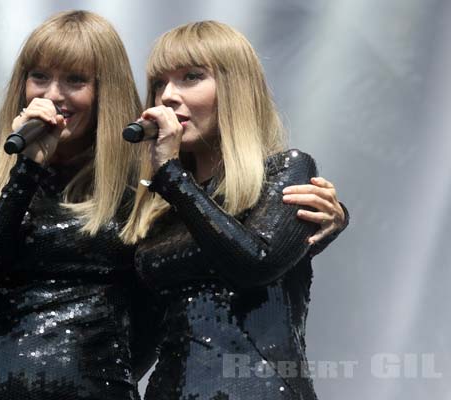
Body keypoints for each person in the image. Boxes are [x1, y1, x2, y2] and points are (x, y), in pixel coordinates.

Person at [119, 21, 349, 399]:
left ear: (234, 87)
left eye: (191, 77)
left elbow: (254, 263)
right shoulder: (159, 205)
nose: (168, 96)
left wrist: (172, 175)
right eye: (159, 83)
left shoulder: (284, 171)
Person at [0, 10, 145, 399]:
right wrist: (25, 173)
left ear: (106, 91)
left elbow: (154, 316)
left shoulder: (134, 189)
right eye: (39, 76)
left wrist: (69, 369)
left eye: (74, 80)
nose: (52, 95)